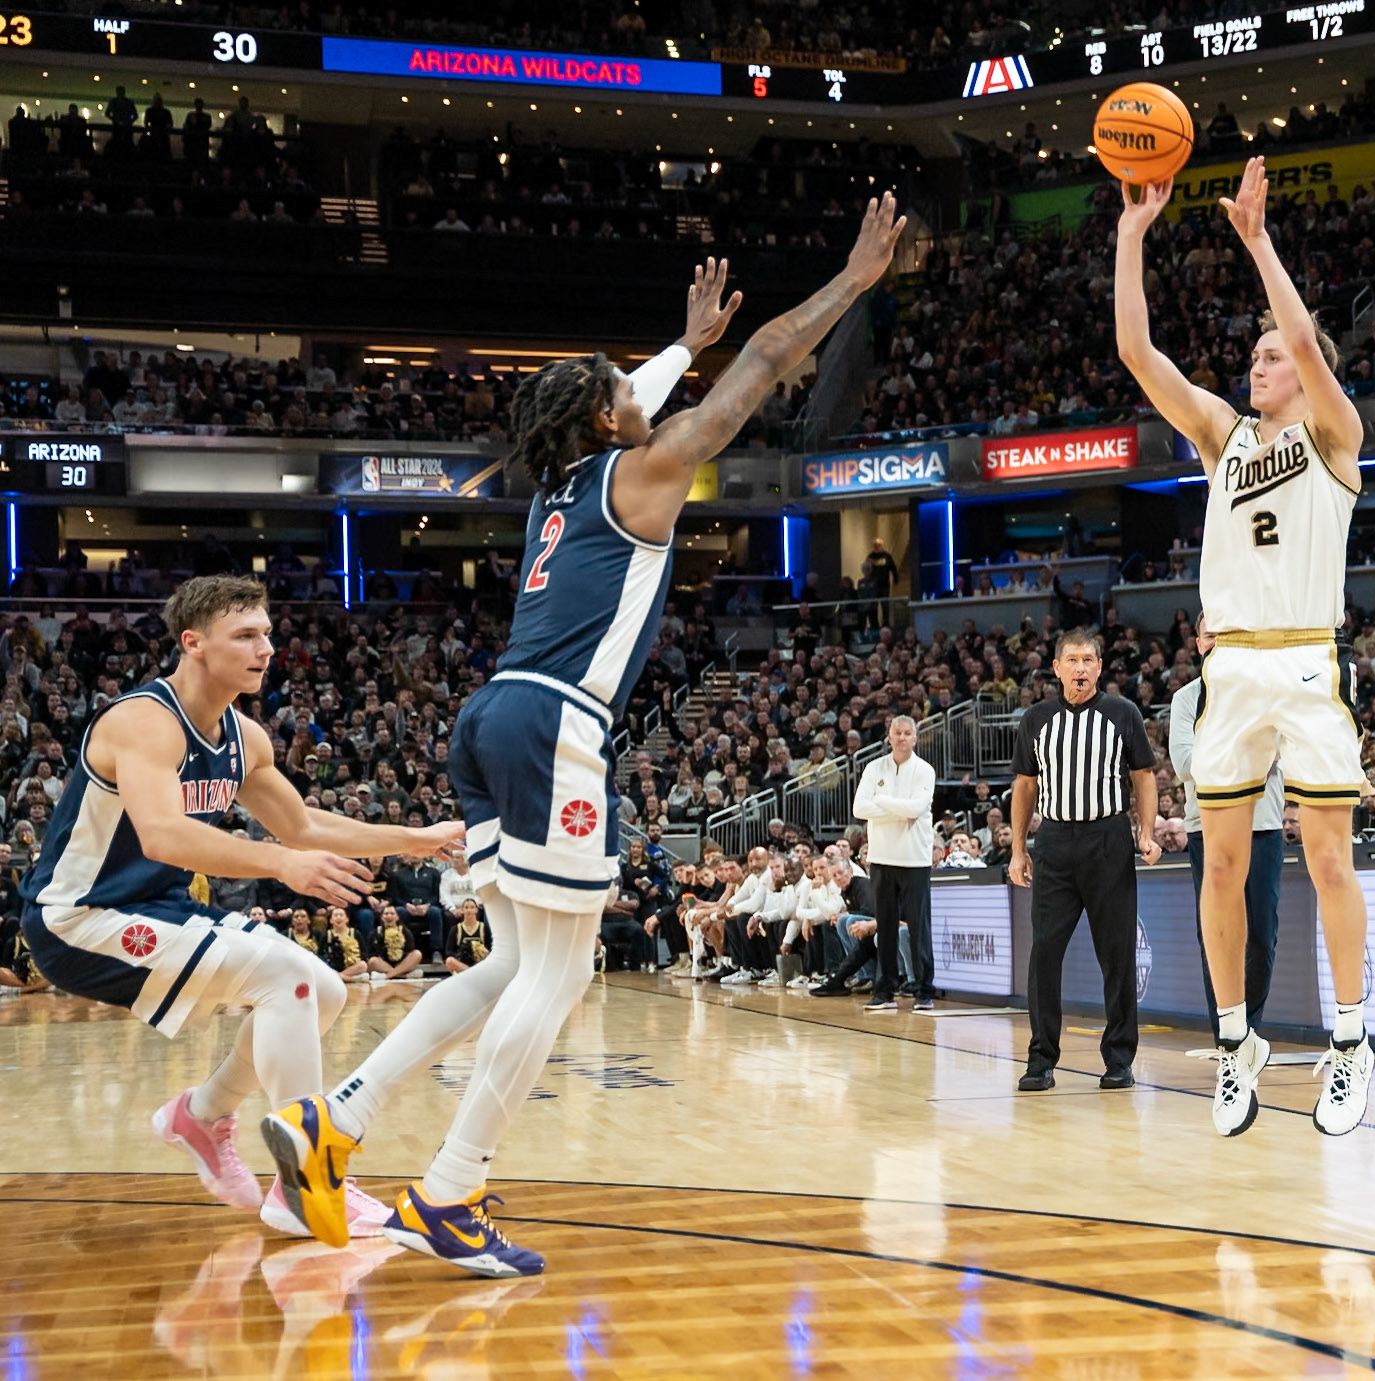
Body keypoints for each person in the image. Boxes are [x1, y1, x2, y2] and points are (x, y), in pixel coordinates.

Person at [265, 198, 905, 1277]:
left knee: (514, 959)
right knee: (558, 979)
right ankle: (449, 1190)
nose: (646, 400)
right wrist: (852, 281)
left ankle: (341, 1117)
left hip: (488, 717)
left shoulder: (560, 487)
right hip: (556, 725)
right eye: (629, 394)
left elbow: (643, 391)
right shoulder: (643, 474)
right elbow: (763, 361)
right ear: (612, 423)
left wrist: (674, 350)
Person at [19, 576, 461, 1243]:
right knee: (291, 980)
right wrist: (279, 863)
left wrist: (415, 840)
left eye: (267, 633)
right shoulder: (142, 720)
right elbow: (165, 833)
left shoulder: (244, 736)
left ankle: (201, 1115)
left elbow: (300, 825)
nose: (265, 648)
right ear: (192, 643)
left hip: (154, 906)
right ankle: (307, 1187)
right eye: (246, 635)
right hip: (78, 918)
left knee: (328, 992)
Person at [1116, 157, 1371, 1137]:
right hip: (1228, 673)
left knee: (1326, 861)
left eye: (1272, 358)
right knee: (1216, 870)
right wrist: (1132, 237)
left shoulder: (1334, 438)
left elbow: (1304, 339)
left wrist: (1257, 241)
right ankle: (1236, 1044)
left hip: (1307, 662)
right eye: (1257, 356)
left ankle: (1350, 1041)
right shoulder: (1223, 440)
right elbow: (1140, 356)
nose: (1256, 364)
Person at [1009, 630, 1160, 1091]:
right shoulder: (1036, 718)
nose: (1079, 667)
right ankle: (1041, 1060)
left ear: (1099, 667)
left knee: (1116, 954)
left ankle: (1119, 1059)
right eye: (1071, 659)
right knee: (1044, 954)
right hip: (1053, 843)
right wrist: (1018, 848)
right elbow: (1025, 786)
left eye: (1088, 660)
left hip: (1107, 839)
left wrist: (1147, 832)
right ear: (1056, 668)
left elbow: (1143, 776)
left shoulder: (1123, 713)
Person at [1169, 616, 1284, 1041]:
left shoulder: (1268, 693)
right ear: (1199, 643)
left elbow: (1273, 756)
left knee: (1261, 938)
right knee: (1215, 935)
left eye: (1227, 634)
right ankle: (1229, 1035)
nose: (1218, 641)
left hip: (1263, 824)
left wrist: (1215, 755)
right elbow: (1184, 765)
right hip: (1207, 828)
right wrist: (1244, 752)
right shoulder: (1186, 699)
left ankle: (1249, 1024)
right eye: (1210, 634)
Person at [851, 714, 936, 1011]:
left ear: (915, 738)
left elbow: (916, 809)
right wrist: (897, 808)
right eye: (896, 733)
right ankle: (884, 990)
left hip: (915, 859)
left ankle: (924, 989)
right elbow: (859, 807)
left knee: (918, 927)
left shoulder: (925, 771)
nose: (901, 737)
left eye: (907, 733)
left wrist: (882, 801)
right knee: (885, 928)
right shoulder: (875, 768)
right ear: (889, 737)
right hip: (881, 859)